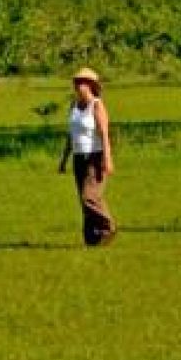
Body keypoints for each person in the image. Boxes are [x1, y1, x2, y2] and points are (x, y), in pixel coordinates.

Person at [55, 67, 118, 246]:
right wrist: (64, 159)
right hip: (78, 157)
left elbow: (104, 133)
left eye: (82, 82)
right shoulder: (74, 106)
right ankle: (92, 238)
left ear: (91, 85)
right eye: (77, 82)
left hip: (94, 156)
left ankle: (108, 226)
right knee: (83, 202)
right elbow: (71, 135)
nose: (78, 86)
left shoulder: (96, 105)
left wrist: (107, 158)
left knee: (89, 197)